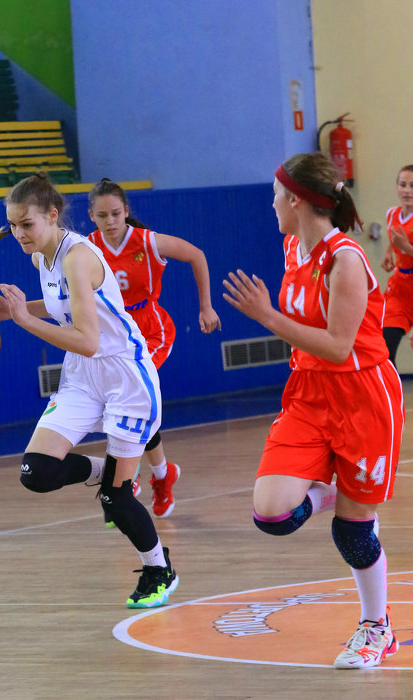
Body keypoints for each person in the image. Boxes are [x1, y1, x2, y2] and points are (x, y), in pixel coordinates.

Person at [222, 152, 404, 668]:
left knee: (352, 532)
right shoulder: (291, 247)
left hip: (364, 397)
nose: (272, 204)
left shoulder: (345, 259)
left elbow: (340, 346)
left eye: (276, 195)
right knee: (273, 514)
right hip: (308, 393)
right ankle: (333, 493)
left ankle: (377, 628)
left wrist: (267, 317)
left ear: (296, 200)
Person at [0, 172, 178, 609]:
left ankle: (159, 569)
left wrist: (25, 320)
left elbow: (89, 339)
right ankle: (109, 470)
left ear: (52, 215)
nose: (19, 234)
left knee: (116, 500)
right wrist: (10, 312)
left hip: (124, 377)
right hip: (82, 375)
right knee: (37, 473)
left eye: (27, 224)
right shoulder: (40, 258)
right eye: (13, 225)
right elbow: (62, 306)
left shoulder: (77, 258)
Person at [87, 178, 221, 523]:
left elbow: (197, 255)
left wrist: (206, 306)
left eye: (115, 213)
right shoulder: (86, 248)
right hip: (112, 334)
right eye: (102, 215)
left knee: (130, 398)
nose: (110, 221)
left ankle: (127, 478)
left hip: (149, 330)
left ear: (126, 211)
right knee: (122, 405)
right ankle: (161, 474)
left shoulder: (147, 241)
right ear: (92, 216)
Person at [380, 164, 413, 365]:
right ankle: (391, 386)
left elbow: (404, 243)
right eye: (403, 184)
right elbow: (395, 237)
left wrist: (407, 248)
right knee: (384, 349)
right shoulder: (392, 214)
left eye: (412, 186)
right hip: (400, 288)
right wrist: (389, 251)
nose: (407, 190)